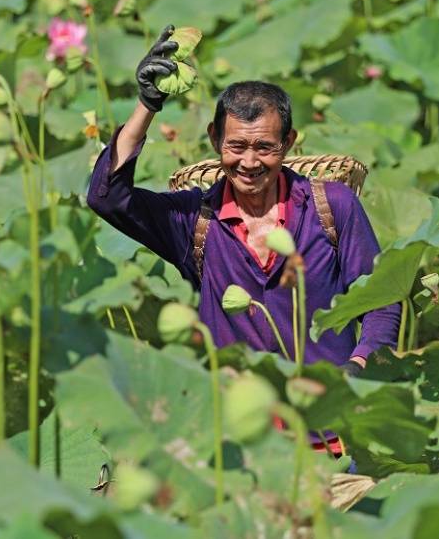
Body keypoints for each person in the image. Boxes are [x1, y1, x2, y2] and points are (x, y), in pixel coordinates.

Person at [86, 26, 400, 455]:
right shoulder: (194, 221)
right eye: (235, 146)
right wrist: (147, 105)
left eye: (265, 147)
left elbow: (382, 299)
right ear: (216, 140)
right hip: (241, 444)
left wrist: (360, 364)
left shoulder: (334, 208)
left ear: (288, 143)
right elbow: (108, 198)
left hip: (334, 437)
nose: (249, 162)